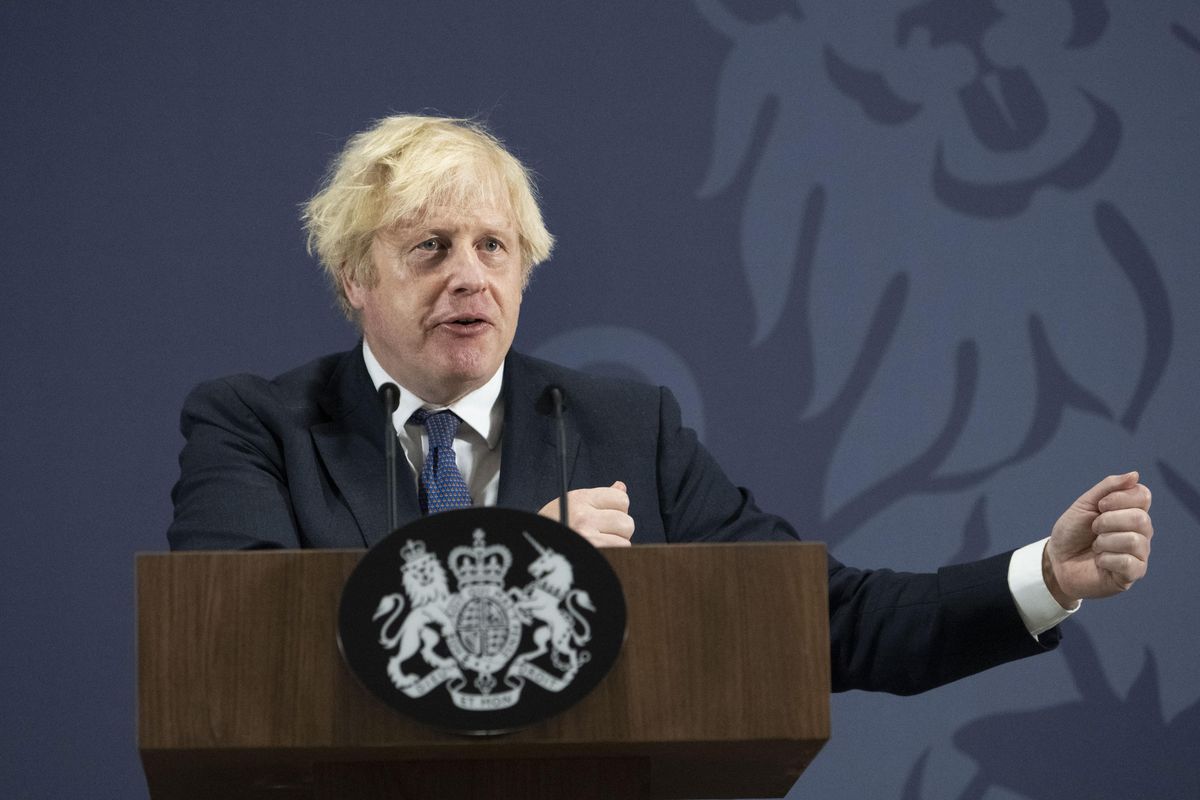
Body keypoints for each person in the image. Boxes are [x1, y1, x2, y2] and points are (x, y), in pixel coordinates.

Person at [168, 114, 1154, 694]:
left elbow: (822, 618)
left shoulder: (619, 426)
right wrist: (519, 559)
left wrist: (1044, 574)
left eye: (493, 247)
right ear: (354, 277)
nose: (468, 277)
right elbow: (238, 645)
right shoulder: (259, 425)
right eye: (429, 248)